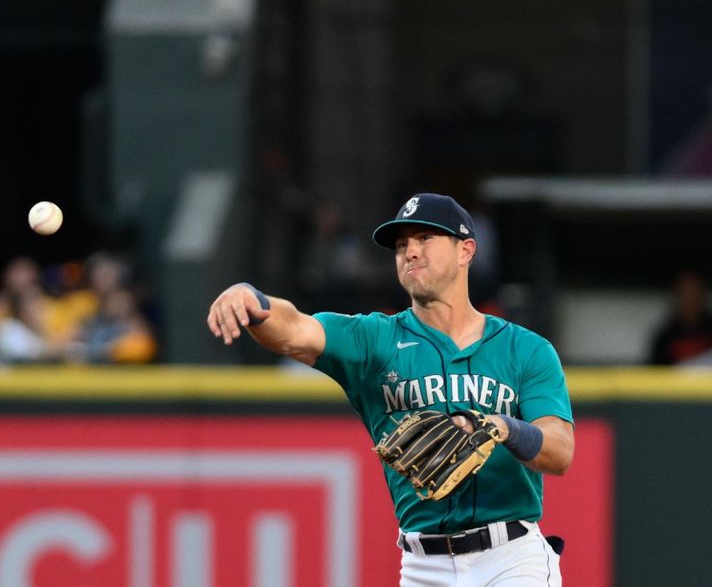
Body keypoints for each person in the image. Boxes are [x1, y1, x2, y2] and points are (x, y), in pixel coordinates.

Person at [207, 193, 574, 586]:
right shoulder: (374, 341)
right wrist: (251, 297)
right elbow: (295, 329)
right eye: (401, 245)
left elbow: (560, 450)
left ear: (466, 250)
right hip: (423, 565)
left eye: (425, 239)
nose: (410, 252)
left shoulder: (526, 349)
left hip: (511, 558)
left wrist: (504, 427)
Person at [649, 269, 712, 365]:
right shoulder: (665, 337)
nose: (691, 299)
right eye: (685, 293)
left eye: (695, 292)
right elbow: (656, 374)